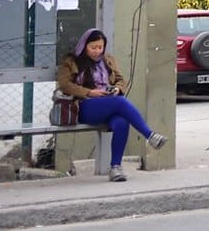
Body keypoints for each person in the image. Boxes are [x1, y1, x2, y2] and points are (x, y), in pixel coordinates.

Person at [56, 28, 167, 182]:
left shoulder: (107, 59)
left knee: (122, 122)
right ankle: (150, 135)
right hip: (83, 106)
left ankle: (115, 168)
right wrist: (89, 92)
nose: (97, 51)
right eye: (93, 47)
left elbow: (120, 79)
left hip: (108, 104)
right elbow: (65, 85)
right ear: (84, 46)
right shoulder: (72, 61)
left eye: (100, 47)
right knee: (120, 102)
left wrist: (116, 88)